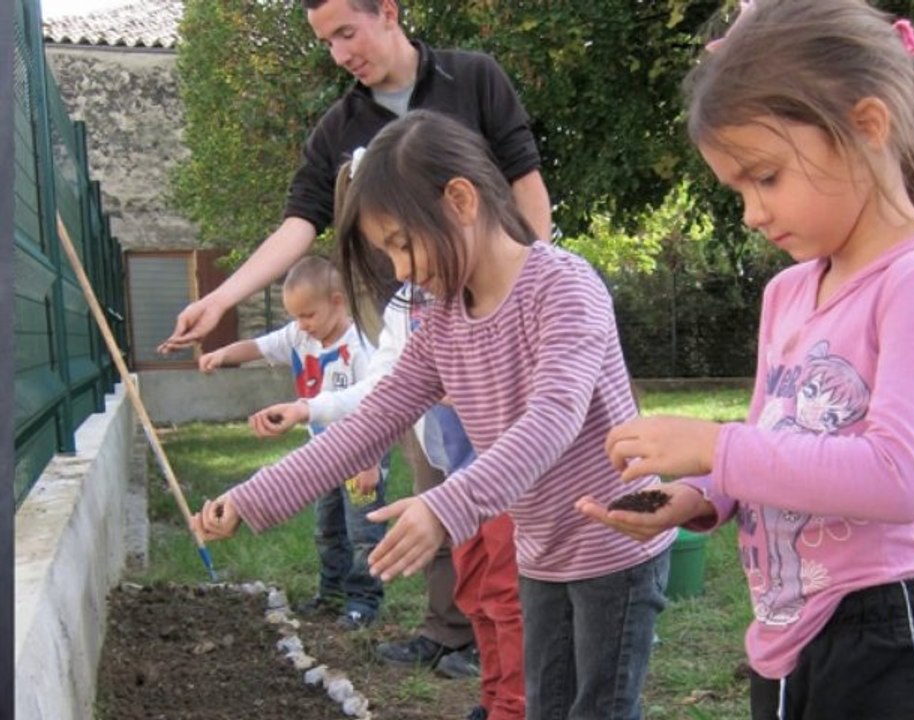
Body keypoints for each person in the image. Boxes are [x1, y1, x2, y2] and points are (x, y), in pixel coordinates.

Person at [191, 109, 675, 720]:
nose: (401, 269)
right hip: (541, 551)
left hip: (614, 546)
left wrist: (446, 506)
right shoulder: (443, 319)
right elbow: (371, 418)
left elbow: (552, 418)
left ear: (461, 199)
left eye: (402, 242)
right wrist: (253, 497)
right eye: (386, 251)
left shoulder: (564, 287)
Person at [577, 2, 914, 718]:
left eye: (768, 177)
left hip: (877, 633)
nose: (751, 212)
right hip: (784, 633)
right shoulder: (787, 292)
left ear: (867, 129)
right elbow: (773, 441)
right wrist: (701, 496)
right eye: (738, 189)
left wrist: (715, 446)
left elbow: (901, 477)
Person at [161, 0, 551, 670]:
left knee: (506, 527)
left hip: (510, 341)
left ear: (389, 12)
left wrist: (523, 289)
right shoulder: (341, 128)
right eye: (327, 41)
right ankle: (466, 641)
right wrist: (223, 297)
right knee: (438, 494)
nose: (341, 54)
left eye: (347, 32)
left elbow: (527, 187)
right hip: (434, 332)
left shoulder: (474, 79)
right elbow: (364, 424)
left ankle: (517, 658)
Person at [198, 255, 389, 631]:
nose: (302, 325)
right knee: (327, 529)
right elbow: (256, 346)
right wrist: (223, 354)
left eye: (308, 315)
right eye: (296, 317)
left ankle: (362, 601)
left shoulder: (361, 349)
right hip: (322, 461)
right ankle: (331, 592)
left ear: (337, 302)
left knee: (363, 531)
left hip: (362, 459)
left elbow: (378, 407)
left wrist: (372, 462)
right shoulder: (300, 336)